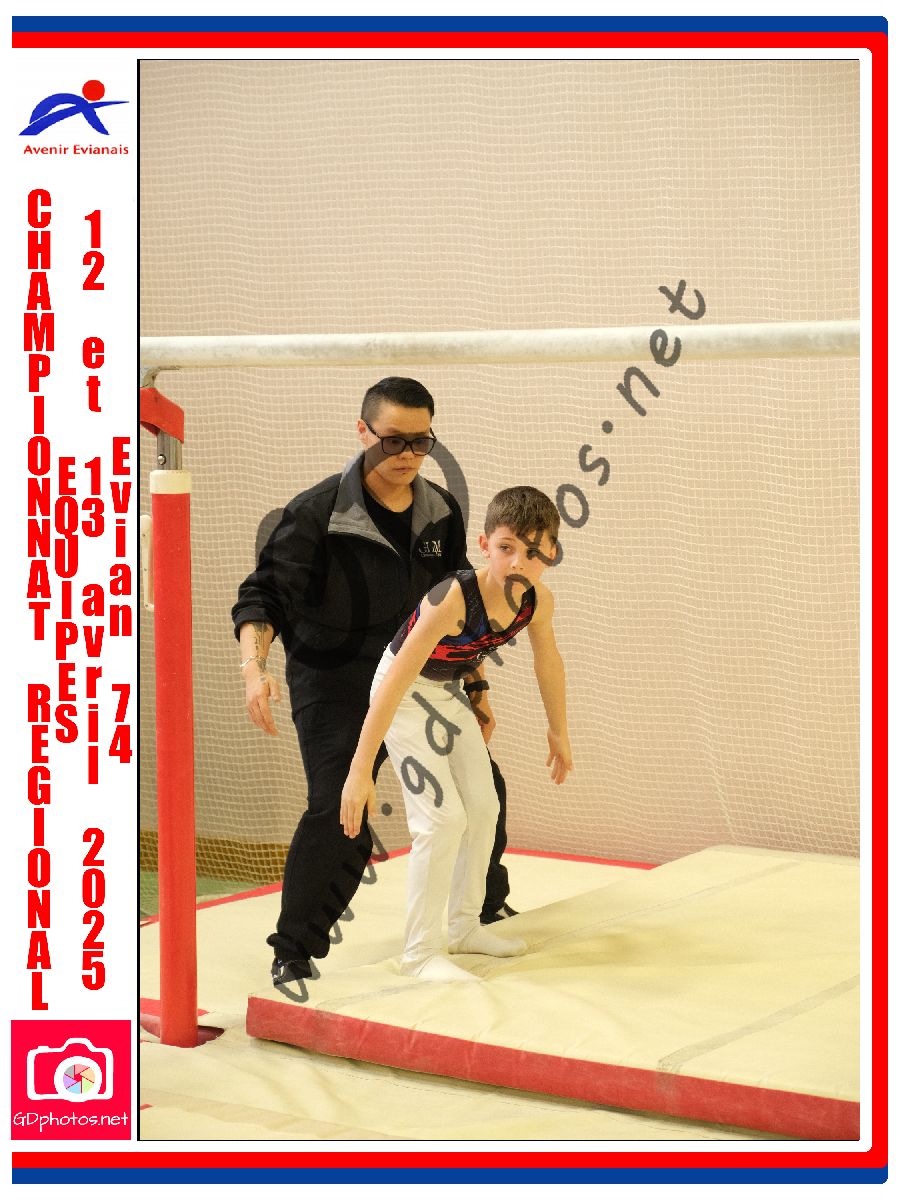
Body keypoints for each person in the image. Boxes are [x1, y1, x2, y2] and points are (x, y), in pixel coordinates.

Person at [232, 377, 519, 987]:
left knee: (482, 791)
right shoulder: (315, 513)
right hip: (334, 682)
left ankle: (476, 913)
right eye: (392, 440)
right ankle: (294, 949)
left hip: (422, 680)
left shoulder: (441, 511)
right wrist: (254, 669)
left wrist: (476, 686)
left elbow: (457, 605)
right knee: (339, 808)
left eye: (421, 441)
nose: (407, 454)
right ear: (362, 432)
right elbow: (262, 597)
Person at [340, 487, 573, 981]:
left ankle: (464, 926)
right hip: (402, 692)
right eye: (507, 547)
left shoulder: (537, 603)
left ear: (551, 554)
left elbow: (548, 662)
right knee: (441, 820)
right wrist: (361, 770)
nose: (518, 562)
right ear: (485, 545)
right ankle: (420, 953)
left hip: (446, 693)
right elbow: (395, 680)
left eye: (534, 552)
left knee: (484, 808)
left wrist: (558, 730)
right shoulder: (452, 598)